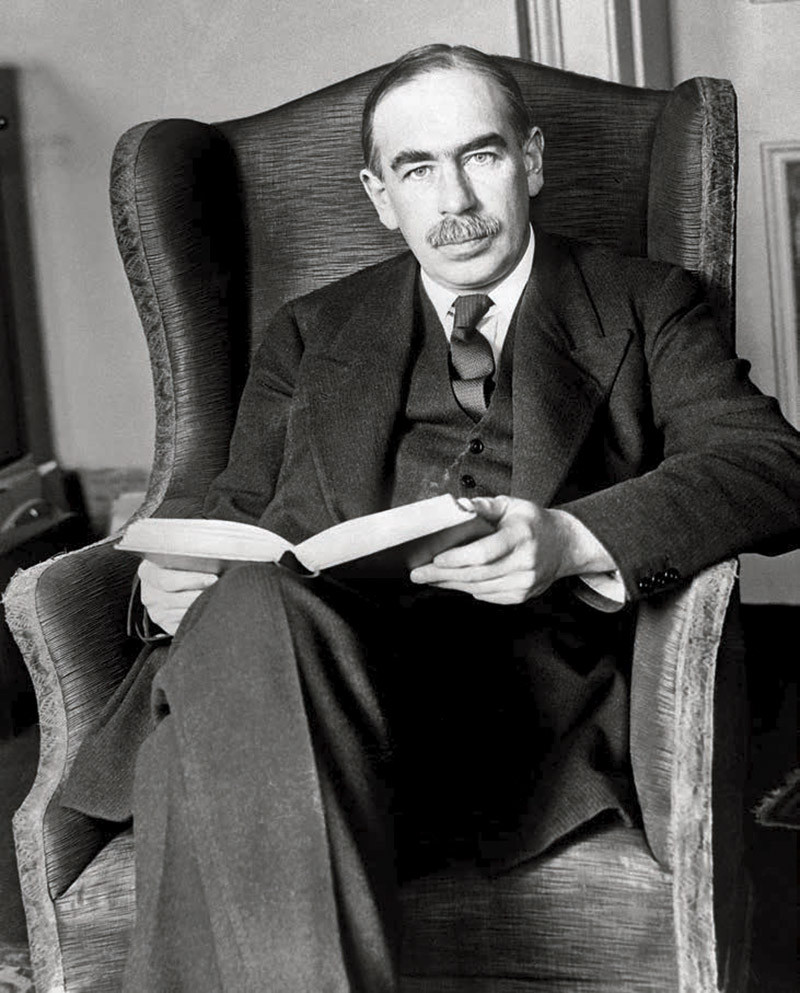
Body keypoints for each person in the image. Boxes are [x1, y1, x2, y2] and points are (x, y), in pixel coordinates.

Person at [64, 44, 800, 992]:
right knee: (248, 612)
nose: (453, 200)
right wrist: (166, 587)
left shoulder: (645, 302)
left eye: (480, 156)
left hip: (507, 715)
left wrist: (572, 539)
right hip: (308, 679)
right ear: (380, 196)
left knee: (194, 756)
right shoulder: (309, 329)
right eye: (416, 169)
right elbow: (234, 512)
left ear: (532, 160)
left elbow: (772, 465)